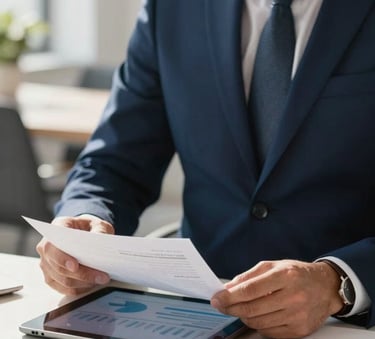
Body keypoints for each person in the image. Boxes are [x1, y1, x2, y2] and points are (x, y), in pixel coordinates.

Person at [37, 0, 375, 338]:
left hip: (344, 321)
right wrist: (84, 218)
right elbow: (115, 158)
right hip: (195, 313)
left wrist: (338, 282)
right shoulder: (171, 9)